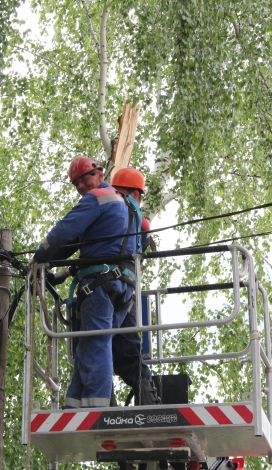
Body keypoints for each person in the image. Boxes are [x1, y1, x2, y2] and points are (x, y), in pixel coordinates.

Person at [32, 157, 142, 408]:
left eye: (85, 179)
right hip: (125, 288)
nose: (81, 186)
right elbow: (92, 244)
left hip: (100, 286)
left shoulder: (95, 199)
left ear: (100, 174)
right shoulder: (130, 206)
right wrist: (61, 269)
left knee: (95, 345)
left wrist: (38, 261)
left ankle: (97, 408)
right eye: (76, 183)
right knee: (88, 347)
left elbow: (62, 234)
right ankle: (74, 406)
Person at [110, 167, 159, 406]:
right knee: (130, 348)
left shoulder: (113, 210)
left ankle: (104, 402)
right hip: (129, 289)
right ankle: (147, 397)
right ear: (138, 193)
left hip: (109, 285)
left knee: (98, 345)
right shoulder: (141, 221)